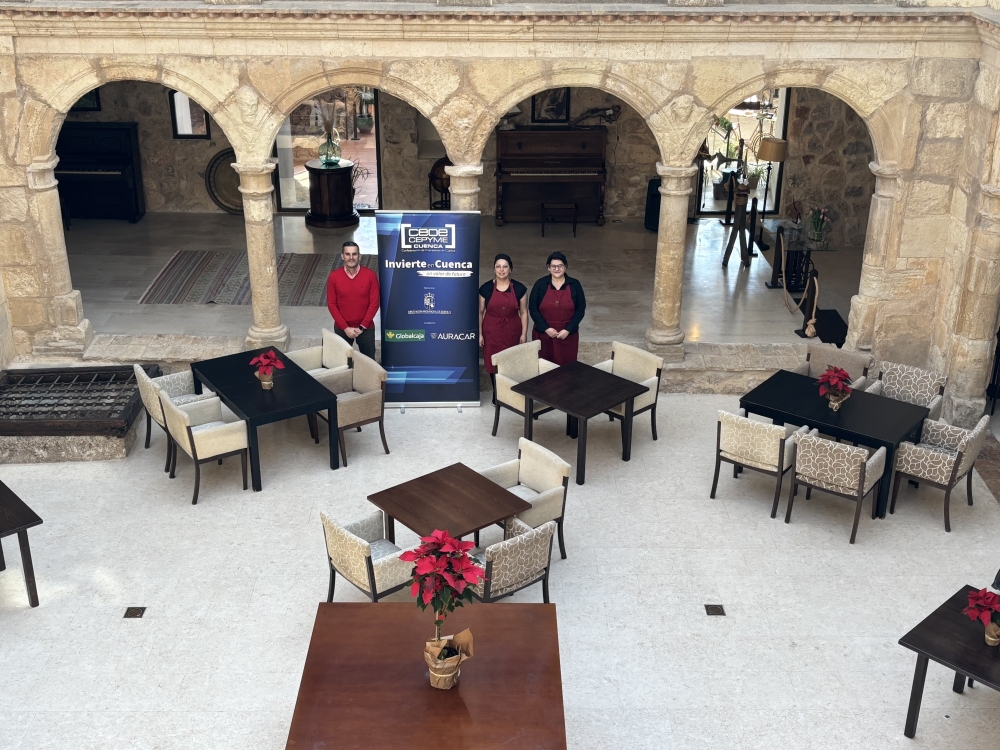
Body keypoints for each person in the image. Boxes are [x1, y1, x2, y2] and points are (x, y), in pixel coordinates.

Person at [479, 254, 529, 401]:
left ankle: (509, 392)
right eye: (498, 266)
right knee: (492, 361)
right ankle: (497, 393)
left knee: (510, 361)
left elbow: (524, 312)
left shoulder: (519, 289)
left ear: (510, 269)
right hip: (491, 330)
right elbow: (480, 312)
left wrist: (524, 334)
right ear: (494, 269)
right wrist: (480, 334)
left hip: (512, 329)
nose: (501, 270)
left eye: (505, 266)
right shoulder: (486, 289)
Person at [528, 251, 586, 365]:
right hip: (544, 334)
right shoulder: (540, 284)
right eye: (553, 266)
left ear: (566, 267)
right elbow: (533, 308)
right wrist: (546, 328)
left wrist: (568, 329)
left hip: (567, 335)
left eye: (560, 266)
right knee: (544, 366)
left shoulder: (575, 284)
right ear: (548, 268)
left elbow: (581, 309)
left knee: (567, 368)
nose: (556, 269)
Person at [326, 240, 379, 360]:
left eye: (354, 254)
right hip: (342, 328)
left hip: (365, 328)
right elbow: (332, 304)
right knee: (341, 362)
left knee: (369, 362)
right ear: (342, 256)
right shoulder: (334, 276)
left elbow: (374, 303)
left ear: (359, 256)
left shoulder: (370, 275)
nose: (351, 257)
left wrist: (361, 327)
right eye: (347, 254)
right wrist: (345, 328)